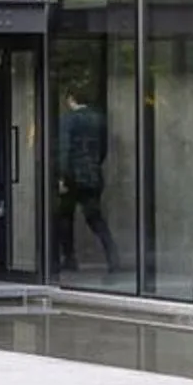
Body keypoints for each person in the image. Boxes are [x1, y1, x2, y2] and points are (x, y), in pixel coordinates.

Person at [55, 87, 119, 274]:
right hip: (93, 174)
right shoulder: (98, 119)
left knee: (65, 217)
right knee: (95, 218)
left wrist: (62, 176)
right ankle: (112, 255)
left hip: (73, 175)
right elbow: (103, 148)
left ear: (70, 99)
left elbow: (65, 149)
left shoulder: (69, 120)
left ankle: (69, 257)